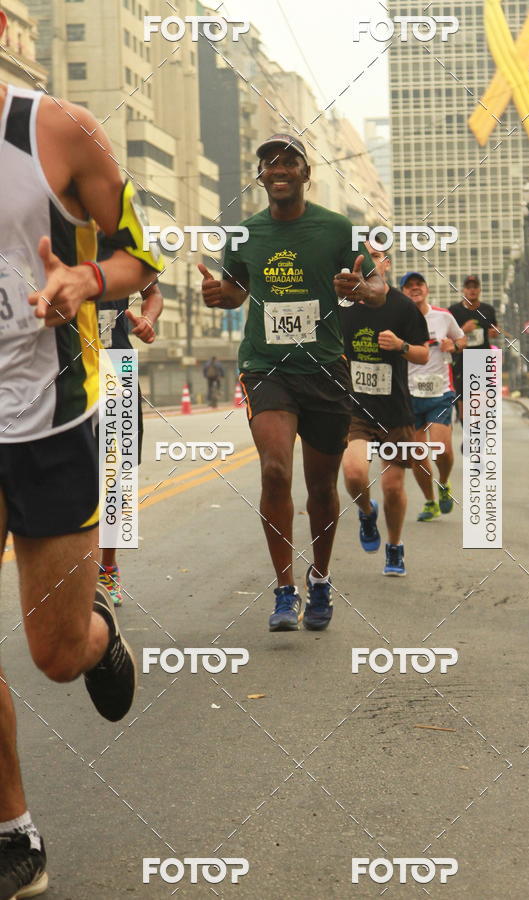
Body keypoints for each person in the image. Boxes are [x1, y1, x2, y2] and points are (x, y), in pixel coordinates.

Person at [0, 22, 163, 896]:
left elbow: (142, 251)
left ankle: (96, 634)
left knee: (54, 655)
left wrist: (88, 282)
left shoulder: (57, 132)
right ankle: (12, 831)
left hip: (49, 418)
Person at [199, 133, 386, 631]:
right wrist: (220, 295)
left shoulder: (336, 229)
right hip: (267, 367)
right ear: (260, 176)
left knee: (321, 486)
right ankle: (284, 590)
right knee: (275, 469)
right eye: (268, 163)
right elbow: (236, 292)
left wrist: (361, 287)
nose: (278, 170)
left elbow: (377, 286)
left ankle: (319, 579)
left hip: (324, 369)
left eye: (288, 162)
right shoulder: (246, 233)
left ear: (306, 173)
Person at [341, 250, 429, 575]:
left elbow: (422, 354)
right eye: (366, 254)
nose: (371, 260)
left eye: (377, 255)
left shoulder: (403, 307)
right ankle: (366, 511)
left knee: (393, 487)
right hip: (357, 410)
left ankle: (394, 546)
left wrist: (402, 346)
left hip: (395, 411)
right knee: (353, 473)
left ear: (386, 265)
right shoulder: (345, 306)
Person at [96, 239, 164, 606]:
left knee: (116, 474)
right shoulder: (50, 229)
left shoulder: (122, 237)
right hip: (63, 370)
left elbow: (153, 292)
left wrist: (148, 319)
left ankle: (107, 570)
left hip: (116, 369)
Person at [401, 272, 466, 522]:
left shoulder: (442, 316)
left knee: (442, 450)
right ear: (403, 292)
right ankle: (430, 502)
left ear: (426, 289)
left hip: (439, 392)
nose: (415, 289)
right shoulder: (398, 318)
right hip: (408, 394)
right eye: (409, 286)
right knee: (417, 454)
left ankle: (444, 482)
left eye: (419, 285)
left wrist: (454, 346)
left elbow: (462, 339)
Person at [449, 276, 500, 423]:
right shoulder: (453, 311)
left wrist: (494, 332)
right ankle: (468, 436)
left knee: (481, 402)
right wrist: (463, 330)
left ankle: (478, 438)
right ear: (463, 290)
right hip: (461, 361)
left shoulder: (488, 310)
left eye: (475, 287)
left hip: (482, 360)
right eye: (468, 287)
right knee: (463, 404)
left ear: (479, 290)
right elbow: (447, 337)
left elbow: (494, 330)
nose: (472, 290)